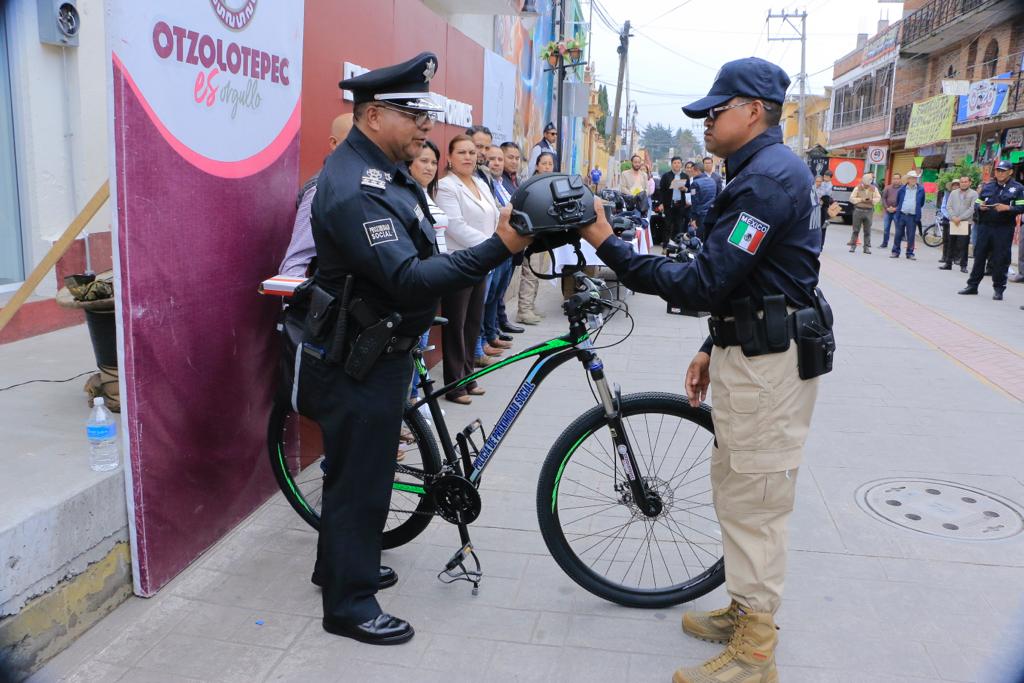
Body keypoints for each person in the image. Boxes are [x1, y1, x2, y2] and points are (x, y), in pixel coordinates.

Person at [579, 57, 827, 683]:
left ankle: (756, 652)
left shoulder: (766, 181)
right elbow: (746, 282)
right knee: (737, 485)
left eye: (716, 112)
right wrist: (711, 346)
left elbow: (705, 279)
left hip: (770, 367)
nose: (708, 123)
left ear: (752, 112)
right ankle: (746, 609)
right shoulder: (757, 171)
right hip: (752, 352)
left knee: (757, 500)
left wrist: (608, 243)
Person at [307, 52, 529, 645]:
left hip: (381, 349)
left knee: (353, 473)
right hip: (360, 355)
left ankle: (337, 567)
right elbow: (407, 276)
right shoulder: (355, 186)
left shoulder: (386, 170)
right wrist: (499, 246)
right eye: (413, 114)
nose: (425, 126)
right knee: (362, 481)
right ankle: (349, 605)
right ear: (375, 115)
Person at [436, 135, 502, 395]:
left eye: (472, 152)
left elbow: (494, 214)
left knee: (473, 322)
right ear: (450, 158)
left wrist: (493, 247)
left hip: (482, 261)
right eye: (461, 152)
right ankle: (454, 385)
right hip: (460, 261)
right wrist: (492, 247)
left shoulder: (480, 183)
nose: (468, 157)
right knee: (456, 323)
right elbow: (456, 226)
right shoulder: (446, 186)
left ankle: (468, 377)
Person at [280, 114, 354, 277]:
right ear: (334, 143)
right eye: (353, 140)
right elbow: (294, 263)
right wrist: (300, 301)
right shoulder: (319, 190)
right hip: (339, 297)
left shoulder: (372, 181)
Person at [959, 159, 1024, 300]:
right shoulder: (988, 186)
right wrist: (980, 206)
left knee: (1000, 259)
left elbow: (1021, 207)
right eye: (998, 170)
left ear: (1010, 172)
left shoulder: (1018, 188)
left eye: (1003, 171)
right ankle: (972, 286)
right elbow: (977, 202)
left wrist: (1008, 208)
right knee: (979, 256)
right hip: (985, 226)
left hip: (1003, 228)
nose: (1000, 173)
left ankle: (999, 289)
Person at [479, 145, 515, 356]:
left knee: (495, 295)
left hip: (505, 247)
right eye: (492, 159)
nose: (496, 163)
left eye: (499, 159)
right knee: (487, 297)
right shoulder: (481, 182)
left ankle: (491, 334)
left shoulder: (500, 184)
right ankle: (482, 341)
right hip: (491, 245)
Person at [516, 151, 556, 325]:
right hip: (530, 236)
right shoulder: (530, 185)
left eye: (550, 164)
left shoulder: (550, 184)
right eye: (544, 163)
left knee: (536, 273)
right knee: (529, 273)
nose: (547, 167)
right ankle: (523, 310)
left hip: (543, 236)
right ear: (537, 165)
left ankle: (530, 306)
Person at [498, 141, 525, 335]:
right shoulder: (500, 181)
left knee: (501, 289)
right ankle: (497, 325)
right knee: (496, 292)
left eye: (517, 158)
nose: (514, 161)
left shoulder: (515, 181)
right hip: (504, 241)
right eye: (510, 157)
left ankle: (499, 321)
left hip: (516, 242)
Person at [942, 176, 976, 273]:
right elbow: (948, 206)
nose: (963, 183)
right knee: (950, 243)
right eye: (962, 182)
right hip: (953, 221)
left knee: (963, 245)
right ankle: (948, 263)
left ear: (969, 183)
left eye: (965, 182)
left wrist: (960, 218)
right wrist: (953, 217)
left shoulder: (974, 194)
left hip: (965, 222)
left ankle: (963, 265)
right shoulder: (953, 193)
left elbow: (972, 208)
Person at [891, 170, 925, 260]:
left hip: (912, 216)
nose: (914, 180)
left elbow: (921, 203)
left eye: (915, 178)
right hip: (901, 214)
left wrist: (915, 208)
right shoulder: (901, 189)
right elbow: (899, 201)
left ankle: (910, 253)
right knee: (898, 234)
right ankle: (895, 252)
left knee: (911, 236)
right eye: (912, 178)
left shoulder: (921, 189)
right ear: (908, 179)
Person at [659, 156, 690, 244]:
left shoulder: (685, 176)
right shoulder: (666, 176)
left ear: (681, 164)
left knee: (679, 226)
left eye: (678, 163)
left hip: (681, 205)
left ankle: (677, 245)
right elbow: (661, 191)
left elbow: (689, 189)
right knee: (667, 226)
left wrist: (685, 189)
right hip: (669, 204)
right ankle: (665, 245)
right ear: (672, 164)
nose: (677, 164)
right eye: (675, 163)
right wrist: (661, 203)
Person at [848, 172, 880, 254]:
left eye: (868, 184)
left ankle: (866, 248)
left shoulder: (874, 188)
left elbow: (878, 198)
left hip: (869, 211)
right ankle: (853, 246)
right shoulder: (857, 188)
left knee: (867, 231)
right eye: (866, 184)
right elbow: (851, 198)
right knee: (855, 230)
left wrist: (872, 200)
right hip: (858, 210)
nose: (867, 186)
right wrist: (861, 200)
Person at [688, 159, 719, 239]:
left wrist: (693, 219)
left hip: (700, 215)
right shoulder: (712, 181)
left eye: (692, 171)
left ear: (697, 171)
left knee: (699, 239)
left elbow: (694, 202)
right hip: (711, 213)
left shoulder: (695, 184)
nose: (691, 173)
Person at [879, 172, 902, 249]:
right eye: (894, 178)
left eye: (897, 178)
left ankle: (896, 245)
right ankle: (884, 243)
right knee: (886, 229)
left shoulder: (903, 189)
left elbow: (903, 201)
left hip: (897, 212)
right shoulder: (887, 188)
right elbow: (884, 198)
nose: (896, 180)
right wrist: (887, 208)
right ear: (892, 179)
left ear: (900, 179)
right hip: (887, 211)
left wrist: (896, 208)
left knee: (898, 230)